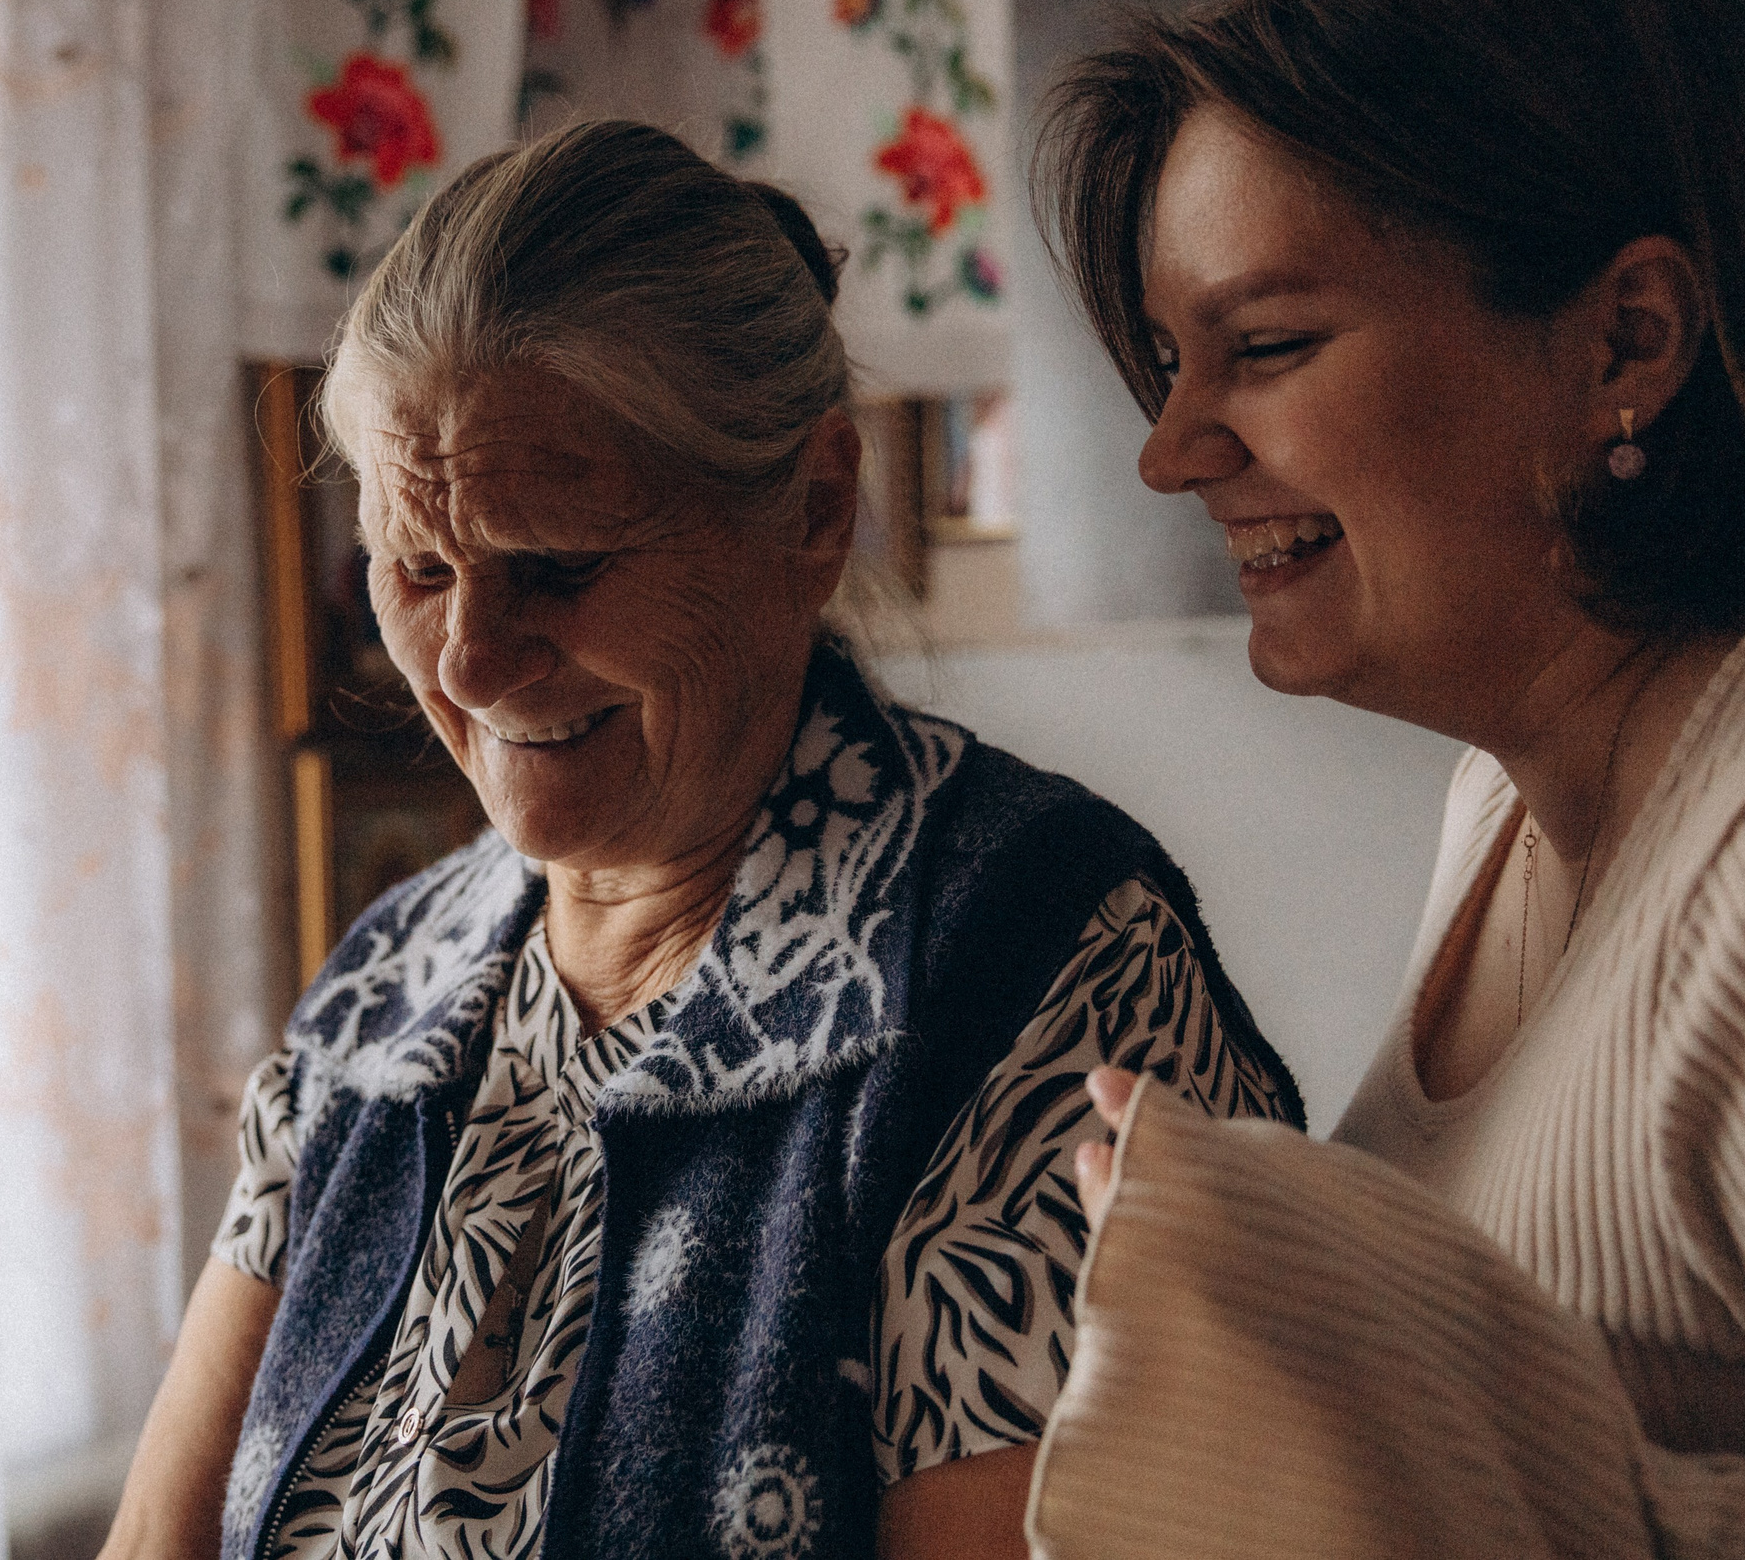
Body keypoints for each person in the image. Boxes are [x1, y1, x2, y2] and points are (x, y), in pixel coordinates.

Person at [95, 120, 1302, 1560]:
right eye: (418, 569)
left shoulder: (1038, 975)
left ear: (811, 511)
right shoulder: (389, 988)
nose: (471, 662)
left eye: (557, 567)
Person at [1027, 0, 1745, 1554]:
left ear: (1627, 339)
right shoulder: (1507, 798)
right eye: (1169, 364)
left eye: (1263, 345)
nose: (1172, 453)